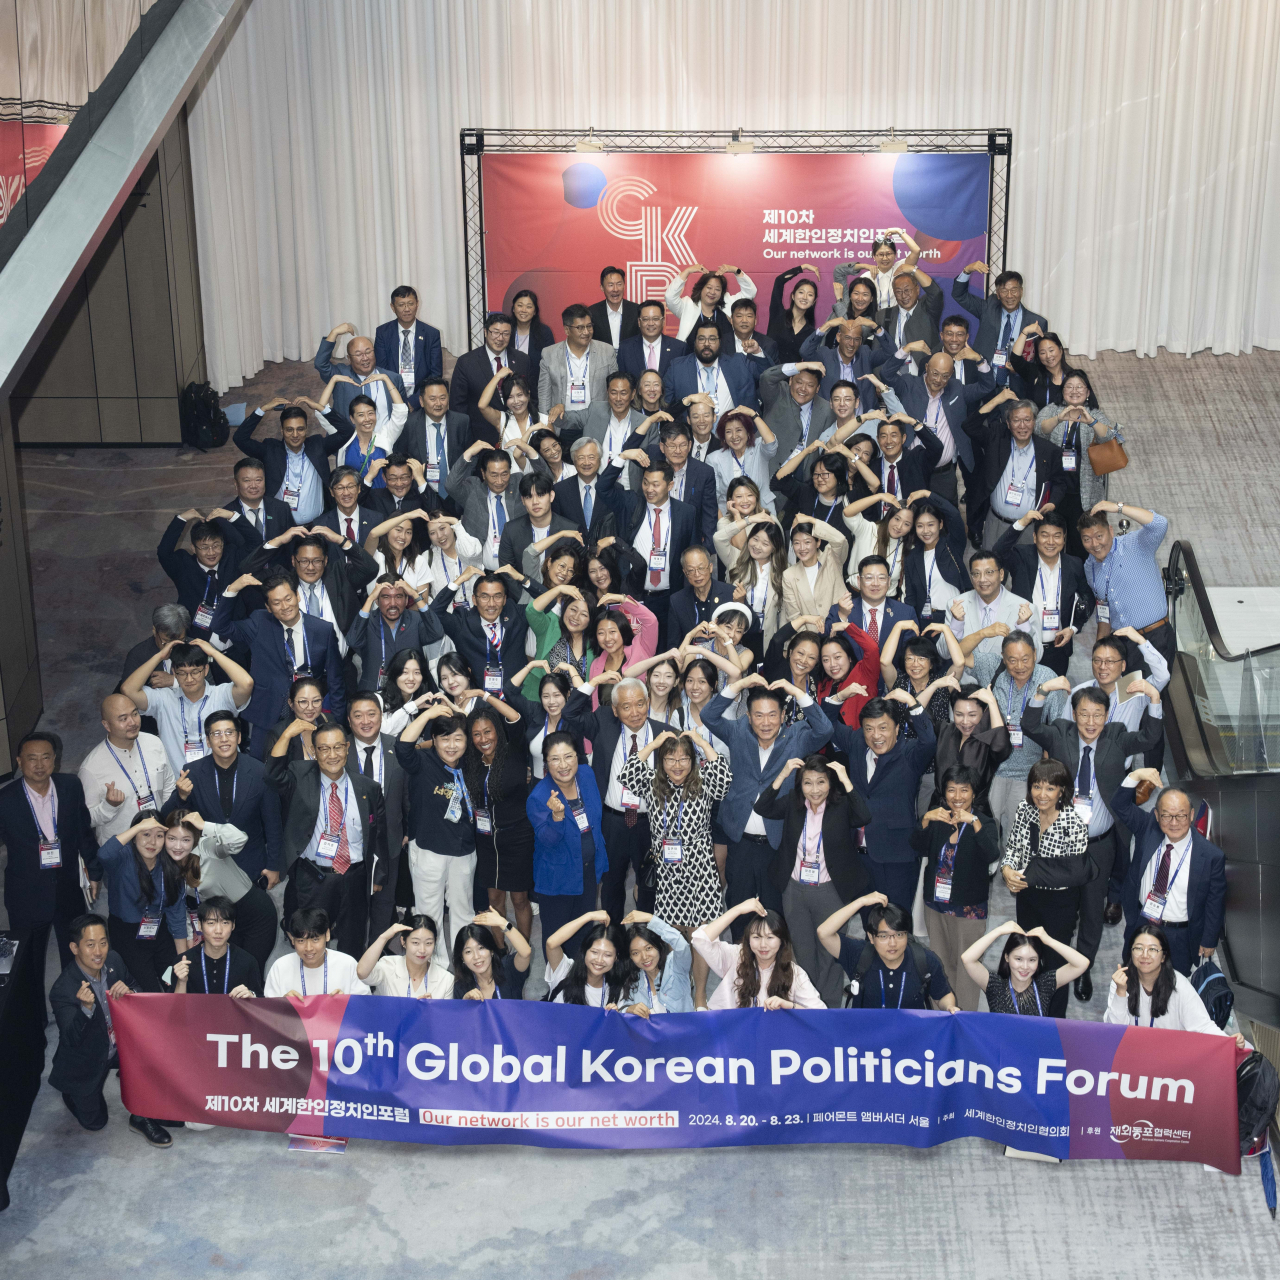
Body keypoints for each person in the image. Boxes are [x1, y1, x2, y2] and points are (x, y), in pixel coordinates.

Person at [1024, 676, 1165, 1001]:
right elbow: (1030, 725)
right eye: (1084, 714)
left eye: (1098, 714)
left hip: (1100, 845)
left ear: (1107, 715)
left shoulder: (1116, 736)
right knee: (1060, 911)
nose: (1091, 721)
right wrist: (1043, 690)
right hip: (1060, 844)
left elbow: (1150, 736)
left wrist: (1153, 696)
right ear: (1075, 714)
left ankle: (1083, 970)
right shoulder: (1060, 732)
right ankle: (1054, 970)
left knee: (1092, 914)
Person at [702, 675, 833, 934]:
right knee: (739, 905)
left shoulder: (797, 736)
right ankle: (741, 958)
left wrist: (797, 691)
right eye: (759, 716)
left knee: (775, 910)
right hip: (740, 839)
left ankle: (775, 966)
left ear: (783, 715)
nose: (766, 722)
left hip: (778, 840)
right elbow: (709, 715)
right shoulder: (738, 731)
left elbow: (825, 730)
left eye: (772, 715)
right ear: (749, 716)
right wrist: (738, 685)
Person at [620, 728, 732, 1007]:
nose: (677, 765)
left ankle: (700, 995)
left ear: (693, 762)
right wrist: (654, 743)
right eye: (670, 758)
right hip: (668, 872)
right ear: (661, 762)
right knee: (670, 936)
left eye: (684, 758)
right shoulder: (653, 784)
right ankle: (675, 987)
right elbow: (627, 772)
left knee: (700, 938)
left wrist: (701, 741)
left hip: (700, 869)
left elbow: (724, 777)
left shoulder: (704, 782)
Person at [751, 755, 872, 1007]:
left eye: (821, 782)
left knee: (829, 954)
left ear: (830, 783)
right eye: (808, 783)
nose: (815, 790)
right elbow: (762, 807)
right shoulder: (794, 804)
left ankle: (827, 1008)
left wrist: (845, 778)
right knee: (802, 951)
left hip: (831, 890)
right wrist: (783, 773)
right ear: (800, 785)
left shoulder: (840, 806)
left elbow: (864, 816)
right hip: (795, 890)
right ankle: (805, 1006)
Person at [268, 716, 389, 959]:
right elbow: (272, 776)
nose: (331, 755)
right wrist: (287, 735)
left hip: (354, 877)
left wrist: (379, 874)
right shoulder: (300, 775)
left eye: (337, 747)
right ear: (314, 751)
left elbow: (379, 836)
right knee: (309, 943)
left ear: (347, 748)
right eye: (324, 749)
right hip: (314, 877)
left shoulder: (368, 788)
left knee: (352, 944)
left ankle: (346, 993)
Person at [47, 916, 173, 1145]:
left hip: (118, 1045)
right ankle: (72, 1092)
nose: (98, 952)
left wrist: (131, 992)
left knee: (152, 1051)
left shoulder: (114, 960)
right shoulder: (63, 990)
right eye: (90, 944)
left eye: (103, 943)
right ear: (75, 948)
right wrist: (85, 1010)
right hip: (86, 1057)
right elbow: (71, 1039)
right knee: (96, 1122)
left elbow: (136, 986)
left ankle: (140, 1116)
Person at [0, 732, 102, 994]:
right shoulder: (5, 799)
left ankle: (75, 1007)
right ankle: (35, 1025)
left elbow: (83, 832)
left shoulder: (69, 786)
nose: (39, 765)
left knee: (77, 955)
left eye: (46, 757)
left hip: (67, 889)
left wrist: (94, 871)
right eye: (31, 759)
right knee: (27, 962)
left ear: (55, 760)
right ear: (19, 761)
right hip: (26, 895)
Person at [211, 569, 346, 758]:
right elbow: (220, 626)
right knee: (262, 770)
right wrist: (233, 589)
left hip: (308, 714)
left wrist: (337, 722)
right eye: (276, 602)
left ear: (297, 596)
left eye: (288, 598)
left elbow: (335, 680)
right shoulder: (259, 622)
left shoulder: (322, 629)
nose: (284, 606)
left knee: (304, 767)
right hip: (268, 715)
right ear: (268, 607)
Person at [999, 759, 1092, 1017]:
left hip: (1060, 903)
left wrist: (1033, 874)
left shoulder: (1073, 821)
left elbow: (1074, 874)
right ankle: (1028, 1014)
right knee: (1028, 958)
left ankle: (1054, 1022)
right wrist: (1007, 869)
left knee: (1055, 965)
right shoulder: (1024, 810)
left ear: (1062, 790)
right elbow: (1015, 848)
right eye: (1037, 787)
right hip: (1028, 899)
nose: (1042, 794)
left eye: (1050, 788)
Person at [1112, 769, 1227, 976]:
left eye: (1181, 815)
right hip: (1142, 922)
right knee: (1132, 981)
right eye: (1166, 816)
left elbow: (1214, 901)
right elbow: (1119, 805)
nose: (1174, 823)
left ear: (1191, 815)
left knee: (1171, 993)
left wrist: (1209, 939)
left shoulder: (1211, 856)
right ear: (1156, 815)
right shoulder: (1148, 828)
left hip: (1179, 936)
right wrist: (1135, 776)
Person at [164, 708, 284, 902]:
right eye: (216, 734)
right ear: (208, 741)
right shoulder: (192, 772)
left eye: (229, 732)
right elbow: (166, 818)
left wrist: (274, 865)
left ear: (239, 737)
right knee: (216, 926)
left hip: (251, 865)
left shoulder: (260, 772)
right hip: (209, 867)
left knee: (250, 920)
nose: (224, 739)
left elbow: (273, 824)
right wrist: (181, 797)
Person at [911, 766, 1001, 1010]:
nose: (957, 796)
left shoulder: (985, 822)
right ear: (944, 792)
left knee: (967, 966)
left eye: (964, 790)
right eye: (952, 790)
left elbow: (992, 854)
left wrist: (974, 823)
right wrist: (925, 821)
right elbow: (917, 847)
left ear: (974, 793)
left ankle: (965, 1019)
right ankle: (939, 1018)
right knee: (939, 964)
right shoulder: (938, 818)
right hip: (936, 905)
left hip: (969, 908)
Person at [971, 632, 1069, 848]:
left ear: (1035, 654)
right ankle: (987, 880)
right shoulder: (996, 674)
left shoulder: (1047, 678)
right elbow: (961, 656)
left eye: (1025, 658)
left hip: (1028, 774)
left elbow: (1057, 729)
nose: (1019, 666)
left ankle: (1011, 881)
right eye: (1012, 660)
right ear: (1003, 659)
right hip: (994, 771)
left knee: (1018, 838)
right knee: (986, 833)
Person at [396, 703, 479, 949]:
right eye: (444, 739)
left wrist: (457, 711)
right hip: (428, 848)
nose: (452, 746)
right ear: (433, 739)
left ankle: (463, 962)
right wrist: (429, 714)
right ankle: (434, 965)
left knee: (463, 909)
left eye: (458, 739)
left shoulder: (471, 763)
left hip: (463, 849)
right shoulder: (422, 761)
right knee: (428, 910)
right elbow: (402, 747)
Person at [599, 452, 699, 650]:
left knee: (667, 650)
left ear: (670, 485)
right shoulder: (631, 503)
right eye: (645, 483)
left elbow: (691, 553)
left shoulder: (686, 513)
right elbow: (602, 487)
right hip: (636, 595)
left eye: (655, 484)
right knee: (634, 651)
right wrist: (622, 457)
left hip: (671, 597)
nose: (649, 489)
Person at [162, 807, 276, 979]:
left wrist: (205, 825)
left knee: (250, 975)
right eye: (172, 839)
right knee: (227, 976)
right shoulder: (167, 865)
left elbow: (239, 839)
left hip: (254, 914)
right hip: (221, 921)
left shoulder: (205, 846)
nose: (178, 846)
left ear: (194, 838)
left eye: (185, 839)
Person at [527, 732, 609, 959]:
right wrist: (557, 816)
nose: (563, 765)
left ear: (577, 757)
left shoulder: (586, 774)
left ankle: (581, 987)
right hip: (558, 879)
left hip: (588, 872)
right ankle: (558, 990)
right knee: (557, 939)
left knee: (584, 935)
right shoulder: (539, 796)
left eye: (568, 756)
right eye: (554, 759)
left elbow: (595, 819)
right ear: (546, 763)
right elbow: (547, 840)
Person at [122, 639, 254, 776]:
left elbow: (247, 683)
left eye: (195, 671)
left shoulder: (221, 695)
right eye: (182, 673)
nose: (189, 679)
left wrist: (214, 652)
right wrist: (159, 656)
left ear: (206, 669)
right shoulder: (163, 699)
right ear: (173, 672)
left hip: (221, 779)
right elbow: (128, 690)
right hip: (180, 783)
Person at [463, 700, 535, 943]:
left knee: (519, 900)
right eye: (476, 734)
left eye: (487, 731)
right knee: (494, 900)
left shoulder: (514, 751)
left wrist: (484, 694)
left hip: (517, 837)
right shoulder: (471, 761)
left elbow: (514, 717)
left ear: (497, 730)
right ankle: (500, 949)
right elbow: (445, 741)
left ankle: (523, 947)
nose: (483, 739)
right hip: (486, 841)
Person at [991, 508, 1093, 675]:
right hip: (1024, 647)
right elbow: (997, 552)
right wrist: (1022, 522)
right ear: (1035, 537)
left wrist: (1074, 628)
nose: (1051, 541)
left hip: (1058, 649)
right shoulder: (1022, 557)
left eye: (1057, 535)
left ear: (1064, 537)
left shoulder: (1074, 565)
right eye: (1045, 535)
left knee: (1054, 697)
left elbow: (1088, 597)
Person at [95, 811, 189, 991]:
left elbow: (177, 916)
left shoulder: (171, 866)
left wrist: (182, 960)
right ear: (134, 835)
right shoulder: (122, 857)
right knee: (149, 991)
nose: (152, 842)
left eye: (159, 836)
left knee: (174, 982)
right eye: (146, 834)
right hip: (127, 935)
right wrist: (138, 826)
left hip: (159, 929)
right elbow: (103, 854)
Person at [1079, 499, 1174, 675]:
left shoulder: (1136, 544)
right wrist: (1099, 653)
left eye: (1099, 536)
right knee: (1127, 699)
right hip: (1122, 644)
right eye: (1087, 539)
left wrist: (1118, 507)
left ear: (1110, 530)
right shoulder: (1089, 567)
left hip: (1155, 637)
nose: (1094, 544)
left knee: (1150, 697)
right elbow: (1104, 612)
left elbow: (1160, 524)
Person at [1104, 922, 1244, 1042]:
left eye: (1152, 949)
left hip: (1169, 1059)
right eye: (1139, 948)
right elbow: (1114, 1032)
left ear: (1163, 956)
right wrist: (1121, 992)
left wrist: (1228, 1041)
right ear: (1131, 952)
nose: (1145, 955)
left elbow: (1202, 1026)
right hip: (1133, 1055)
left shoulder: (1179, 984)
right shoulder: (1121, 980)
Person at [818, 895, 957, 1010]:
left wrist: (950, 1007)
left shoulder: (925, 960)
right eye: (884, 936)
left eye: (899, 935)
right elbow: (823, 933)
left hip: (911, 1036)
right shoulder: (859, 954)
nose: (893, 943)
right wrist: (860, 902)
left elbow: (942, 996)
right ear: (871, 937)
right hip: (867, 1036)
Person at [347, 692, 411, 935]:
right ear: (350, 720)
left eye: (371, 714)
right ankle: (353, 954)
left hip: (390, 837)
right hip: (350, 840)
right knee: (352, 902)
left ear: (381, 718)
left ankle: (378, 950)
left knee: (385, 901)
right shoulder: (339, 749)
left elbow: (406, 793)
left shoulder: (397, 747)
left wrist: (407, 828)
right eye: (358, 715)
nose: (366, 721)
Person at [969, 395, 1067, 549]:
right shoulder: (996, 441)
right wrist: (997, 400)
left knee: (1026, 571)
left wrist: (1053, 502)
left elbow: (1061, 482)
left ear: (1034, 421)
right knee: (992, 568)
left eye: (1027, 420)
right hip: (997, 524)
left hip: (1030, 528)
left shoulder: (1048, 451)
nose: (1022, 426)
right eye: (1016, 420)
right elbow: (969, 426)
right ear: (1008, 423)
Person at [692, 897, 824, 1009]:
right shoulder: (736, 956)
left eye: (770, 937)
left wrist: (790, 1005)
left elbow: (821, 1014)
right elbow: (700, 939)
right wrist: (738, 909)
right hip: (732, 1032)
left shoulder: (795, 973)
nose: (763, 945)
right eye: (756, 937)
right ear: (748, 940)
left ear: (782, 940)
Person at [79, 694, 176, 844]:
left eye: (135, 714)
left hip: (159, 840)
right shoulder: (91, 768)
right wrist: (108, 806)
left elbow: (169, 786)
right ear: (106, 725)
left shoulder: (154, 743)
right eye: (123, 719)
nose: (132, 722)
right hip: (123, 851)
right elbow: (85, 819)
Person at [233, 400, 344, 524]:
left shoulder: (318, 446)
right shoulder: (270, 450)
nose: (295, 435)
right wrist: (262, 409)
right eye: (289, 430)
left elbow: (346, 431)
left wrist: (319, 408)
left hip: (317, 525)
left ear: (306, 429)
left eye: (300, 429)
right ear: (282, 430)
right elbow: (240, 438)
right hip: (282, 527)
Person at [428, 565, 531, 691]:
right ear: (474, 600)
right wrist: (460, 580)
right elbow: (432, 614)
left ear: (505, 599)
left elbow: (550, 605)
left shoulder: (516, 615)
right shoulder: (462, 623)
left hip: (520, 698)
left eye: (497, 596)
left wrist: (522, 579)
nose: (491, 604)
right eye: (484, 597)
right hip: (482, 703)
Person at [951, 264, 1049, 394]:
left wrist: (1021, 368)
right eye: (1004, 291)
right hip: (983, 383)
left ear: (1021, 291)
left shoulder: (1037, 323)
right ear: (998, 294)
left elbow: (1039, 362)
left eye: (1014, 290)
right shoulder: (987, 309)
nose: (1009, 295)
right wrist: (967, 270)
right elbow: (959, 295)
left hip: (1016, 388)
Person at [960, 920, 1089, 1016]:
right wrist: (998, 931)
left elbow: (1082, 963)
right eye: (1018, 959)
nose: (1025, 967)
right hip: (1002, 1050)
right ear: (1006, 957)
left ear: (1039, 960)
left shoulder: (1045, 984)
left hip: (1035, 1051)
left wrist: (1049, 941)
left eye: (1032, 960)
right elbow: (967, 959)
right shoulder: (995, 985)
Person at [448, 312, 536, 444]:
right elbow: (457, 405)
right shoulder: (466, 362)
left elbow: (532, 397)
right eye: (495, 332)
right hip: (479, 436)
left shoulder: (522, 360)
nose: (500, 338)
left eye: (505, 333)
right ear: (485, 332)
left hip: (518, 434)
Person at [314, 323, 408, 444]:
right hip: (350, 445)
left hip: (385, 445)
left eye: (368, 352)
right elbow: (320, 364)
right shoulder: (341, 376)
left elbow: (402, 414)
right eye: (358, 354)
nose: (365, 358)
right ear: (349, 358)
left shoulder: (392, 378)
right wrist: (334, 333)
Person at [345, 577, 443, 692]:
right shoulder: (367, 620)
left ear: (406, 600)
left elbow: (437, 633)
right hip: (375, 695)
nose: (393, 604)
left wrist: (414, 594)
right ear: (377, 601)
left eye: (399, 597)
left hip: (412, 693)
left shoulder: (415, 619)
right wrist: (370, 598)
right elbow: (352, 641)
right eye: (386, 597)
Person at [157, 511, 245, 640]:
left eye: (216, 546)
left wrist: (224, 518)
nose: (211, 552)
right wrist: (181, 519)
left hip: (235, 642)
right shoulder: (184, 566)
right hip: (197, 642)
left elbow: (252, 543)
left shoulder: (231, 560)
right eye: (204, 547)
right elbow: (164, 552)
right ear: (193, 548)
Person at [946, 549, 1042, 664]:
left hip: (1006, 679)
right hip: (966, 680)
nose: (982, 579)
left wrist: (1024, 627)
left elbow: (1038, 657)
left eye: (989, 572)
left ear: (1001, 574)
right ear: (971, 577)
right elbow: (945, 653)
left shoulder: (1024, 608)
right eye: (976, 573)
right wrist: (956, 623)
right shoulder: (956, 605)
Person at [664, 321, 766, 423]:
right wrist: (686, 401)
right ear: (695, 342)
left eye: (712, 339)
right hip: (692, 436)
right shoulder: (677, 368)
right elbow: (666, 407)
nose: (706, 344)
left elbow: (767, 377)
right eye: (701, 339)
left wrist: (757, 352)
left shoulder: (738, 362)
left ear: (720, 342)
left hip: (735, 435)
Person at [398, 377, 470, 512]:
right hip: (421, 493)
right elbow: (401, 456)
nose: (438, 403)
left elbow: (471, 457)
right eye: (432, 399)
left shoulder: (461, 422)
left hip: (455, 495)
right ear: (421, 401)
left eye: (443, 398)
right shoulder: (410, 424)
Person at [717, 510, 787, 649]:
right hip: (736, 633)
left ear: (774, 548)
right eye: (755, 539)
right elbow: (719, 538)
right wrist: (749, 520)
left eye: (765, 544)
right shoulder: (735, 560)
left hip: (766, 636)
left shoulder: (784, 571)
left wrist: (785, 646)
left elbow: (785, 613)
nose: (757, 546)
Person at [264, 907, 371, 997]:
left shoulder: (348, 964)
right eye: (301, 941)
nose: (309, 948)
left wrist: (347, 1002)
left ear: (327, 934)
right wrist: (282, 1004)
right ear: (292, 939)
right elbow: (269, 1013)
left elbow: (365, 1007)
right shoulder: (280, 967)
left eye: (315, 940)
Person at [172, 895, 263, 997]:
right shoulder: (184, 962)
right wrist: (181, 982)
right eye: (211, 923)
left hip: (233, 1013)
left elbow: (259, 1000)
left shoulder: (248, 962)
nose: (218, 931)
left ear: (233, 925)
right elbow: (174, 1008)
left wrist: (252, 996)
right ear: (200, 926)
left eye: (225, 923)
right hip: (194, 1013)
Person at [538, 304, 619, 417]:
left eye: (589, 326)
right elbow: (544, 395)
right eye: (580, 328)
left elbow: (616, 389)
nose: (586, 332)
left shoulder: (606, 351)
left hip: (596, 419)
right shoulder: (549, 354)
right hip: (563, 421)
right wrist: (546, 423)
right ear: (567, 330)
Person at [374, 285, 443, 409]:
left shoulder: (431, 334)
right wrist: (396, 400)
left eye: (410, 303)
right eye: (401, 305)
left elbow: (435, 374)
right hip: (391, 400)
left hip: (421, 401)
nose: (407, 309)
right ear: (393, 307)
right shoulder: (383, 333)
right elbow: (381, 370)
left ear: (417, 304)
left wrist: (414, 402)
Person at [902, 495, 968, 624]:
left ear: (941, 524)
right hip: (926, 619)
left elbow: (954, 515)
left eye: (931, 524)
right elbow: (910, 597)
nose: (926, 531)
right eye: (920, 526)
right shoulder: (912, 556)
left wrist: (928, 494)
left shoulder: (952, 545)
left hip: (955, 617)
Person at [357, 915, 454, 999]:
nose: (422, 950)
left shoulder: (446, 979)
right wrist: (384, 937)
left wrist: (431, 1008)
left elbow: (444, 1017)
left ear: (435, 942)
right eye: (415, 943)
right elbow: (361, 972)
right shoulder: (389, 966)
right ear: (403, 941)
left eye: (428, 943)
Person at [616, 910, 694, 1014]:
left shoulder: (676, 965)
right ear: (630, 957)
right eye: (636, 953)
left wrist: (651, 919)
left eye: (648, 948)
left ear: (658, 946)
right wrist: (629, 1009)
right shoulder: (633, 980)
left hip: (682, 1029)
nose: (644, 957)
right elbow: (622, 1009)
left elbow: (681, 945)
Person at [758, 364, 834, 466]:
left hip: (803, 474)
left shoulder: (826, 410)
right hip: (770, 468)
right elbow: (766, 377)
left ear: (817, 388)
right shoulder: (778, 393)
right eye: (799, 382)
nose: (803, 388)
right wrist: (804, 365)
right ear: (790, 381)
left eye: (810, 385)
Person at [842, 495, 916, 600]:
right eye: (897, 519)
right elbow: (847, 512)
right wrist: (879, 496)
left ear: (911, 528)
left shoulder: (909, 547)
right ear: (890, 515)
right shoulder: (869, 529)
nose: (899, 526)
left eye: (906, 524)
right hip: (857, 597)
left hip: (888, 601)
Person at [709, 407, 780, 516]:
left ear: (748, 433)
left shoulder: (759, 448)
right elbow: (715, 497)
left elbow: (771, 444)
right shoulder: (714, 459)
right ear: (723, 436)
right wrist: (722, 526)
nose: (734, 436)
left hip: (763, 513)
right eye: (728, 432)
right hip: (731, 517)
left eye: (739, 430)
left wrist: (753, 414)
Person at [834, 229, 922, 315]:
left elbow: (916, 250)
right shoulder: (866, 277)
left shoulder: (901, 268)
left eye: (889, 254)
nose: (885, 258)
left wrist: (899, 231)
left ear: (895, 255)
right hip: (872, 319)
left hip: (897, 318)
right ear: (874, 256)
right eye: (881, 254)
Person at [781, 513, 850, 621]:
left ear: (818, 542)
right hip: (808, 634)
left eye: (807, 542)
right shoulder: (789, 575)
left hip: (838, 630)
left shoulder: (831, 558)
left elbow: (840, 540)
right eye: (797, 543)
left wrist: (812, 520)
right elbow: (794, 616)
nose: (802, 548)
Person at [664, 263, 758, 343]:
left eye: (717, 289)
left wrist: (735, 270)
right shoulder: (687, 306)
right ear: (701, 288)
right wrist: (687, 271)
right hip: (690, 360)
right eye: (709, 288)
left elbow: (750, 292)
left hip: (725, 361)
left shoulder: (729, 303)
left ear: (722, 292)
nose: (712, 292)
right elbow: (670, 297)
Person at [216, 456, 294, 550]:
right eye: (247, 480)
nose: (253, 486)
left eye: (258, 480)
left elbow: (292, 545)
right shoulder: (223, 518)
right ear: (236, 484)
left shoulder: (281, 508)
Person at [451, 911, 533, 999]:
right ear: (462, 958)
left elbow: (525, 953)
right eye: (468, 952)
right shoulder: (460, 988)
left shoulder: (508, 968)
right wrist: (465, 1004)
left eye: (481, 948)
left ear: (491, 950)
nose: (476, 956)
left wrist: (502, 923)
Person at [876, 265, 945, 367]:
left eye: (907, 290)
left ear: (917, 289)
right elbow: (877, 352)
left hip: (921, 375)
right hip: (892, 374)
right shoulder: (883, 315)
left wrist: (913, 270)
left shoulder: (927, 310)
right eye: (898, 292)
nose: (903, 296)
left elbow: (935, 292)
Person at [477, 368, 538, 463]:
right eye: (510, 397)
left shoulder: (543, 420)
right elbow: (482, 405)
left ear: (528, 395)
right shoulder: (502, 419)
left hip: (539, 476)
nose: (516, 401)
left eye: (520, 395)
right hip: (510, 476)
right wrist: (497, 377)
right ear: (505, 400)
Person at [617, 299, 686, 379]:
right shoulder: (625, 349)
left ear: (663, 321)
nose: (651, 323)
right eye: (645, 319)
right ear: (639, 322)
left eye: (655, 319)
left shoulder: (679, 349)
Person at [766, 264, 819, 365]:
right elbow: (779, 281)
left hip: (791, 379)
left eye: (810, 295)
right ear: (793, 296)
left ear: (813, 301)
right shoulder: (778, 314)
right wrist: (803, 267)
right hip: (767, 375)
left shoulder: (811, 331)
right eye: (801, 292)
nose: (805, 297)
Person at [316, 466, 379, 549]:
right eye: (340, 488)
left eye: (350, 486)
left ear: (359, 488)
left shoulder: (376, 520)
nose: (346, 493)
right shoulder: (321, 524)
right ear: (332, 492)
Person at [509, 289, 555, 387]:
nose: (523, 310)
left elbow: (551, 364)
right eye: (520, 305)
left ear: (534, 311)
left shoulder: (544, 332)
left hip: (536, 387)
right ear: (513, 308)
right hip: (509, 387)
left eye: (529, 307)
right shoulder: (506, 331)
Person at [588, 264, 641, 348]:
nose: (615, 289)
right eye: (610, 285)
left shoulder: (637, 310)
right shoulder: (592, 313)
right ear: (602, 288)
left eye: (619, 284)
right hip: (602, 360)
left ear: (624, 286)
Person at [727, 296, 780, 363]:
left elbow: (773, 371)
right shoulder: (720, 343)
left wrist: (758, 353)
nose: (744, 320)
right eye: (739, 316)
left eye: (749, 316)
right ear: (731, 320)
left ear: (755, 320)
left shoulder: (768, 345)